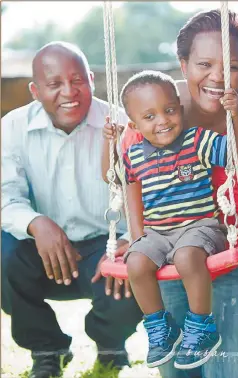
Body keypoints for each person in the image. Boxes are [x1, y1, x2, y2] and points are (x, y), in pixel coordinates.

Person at [110, 9, 238, 378]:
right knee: (180, 370)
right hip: (172, 255)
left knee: (232, 371)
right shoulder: (151, 115)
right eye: (204, 63)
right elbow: (131, 180)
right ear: (183, 63)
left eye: (234, 67)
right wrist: (136, 236)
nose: (219, 78)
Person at [1, 41, 142, 378]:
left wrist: (129, 241)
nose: (69, 92)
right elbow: (5, 196)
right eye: (55, 84)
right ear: (35, 90)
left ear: (92, 80)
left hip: (104, 246)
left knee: (140, 262)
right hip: (40, 247)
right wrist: (36, 224)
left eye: (77, 80)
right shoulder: (12, 127)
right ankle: (47, 349)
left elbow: (148, 193)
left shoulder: (122, 124)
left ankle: (111, 344)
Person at [102, 69, 238, 370]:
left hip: (199, 227)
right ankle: (159, 328)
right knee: (136, 262)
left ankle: (201, 326)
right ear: (134, 125)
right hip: (158, 233)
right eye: (150, 116)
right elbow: (111, 176)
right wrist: (109, 144)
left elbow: (236, 154)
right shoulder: (133, 155)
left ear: (179, 110)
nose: (162, 121)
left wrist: (235, 116)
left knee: (186, 257)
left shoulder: (198, 141)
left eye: (169, 111)